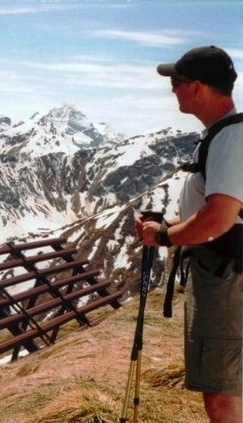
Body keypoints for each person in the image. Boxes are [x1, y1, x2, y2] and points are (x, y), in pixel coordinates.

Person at [135, 45, 242, 422]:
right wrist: (170, 227)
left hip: (226, 275)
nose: (172, 89)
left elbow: (218, 220)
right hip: (227, 269)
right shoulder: (225, 134)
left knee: (221, 387)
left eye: (176, 82)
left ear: (196, 87)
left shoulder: (231, 138)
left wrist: (164, 237)